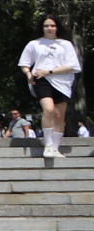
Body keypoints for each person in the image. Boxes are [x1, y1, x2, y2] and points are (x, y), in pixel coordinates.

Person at [20, 16, 77, 162]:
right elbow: (25, 63)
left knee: (59, 115)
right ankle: (48, 145)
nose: (49, 28)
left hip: (63, 81)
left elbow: (72, 66)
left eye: (52, 25)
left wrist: (50, 71)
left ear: (57, 27)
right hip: (42, 79)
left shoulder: (65, 44)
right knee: (49, 110)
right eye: (46, 26)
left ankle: (56, 147)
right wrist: (28, 73)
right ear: (42, 27)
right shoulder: (34, 44)